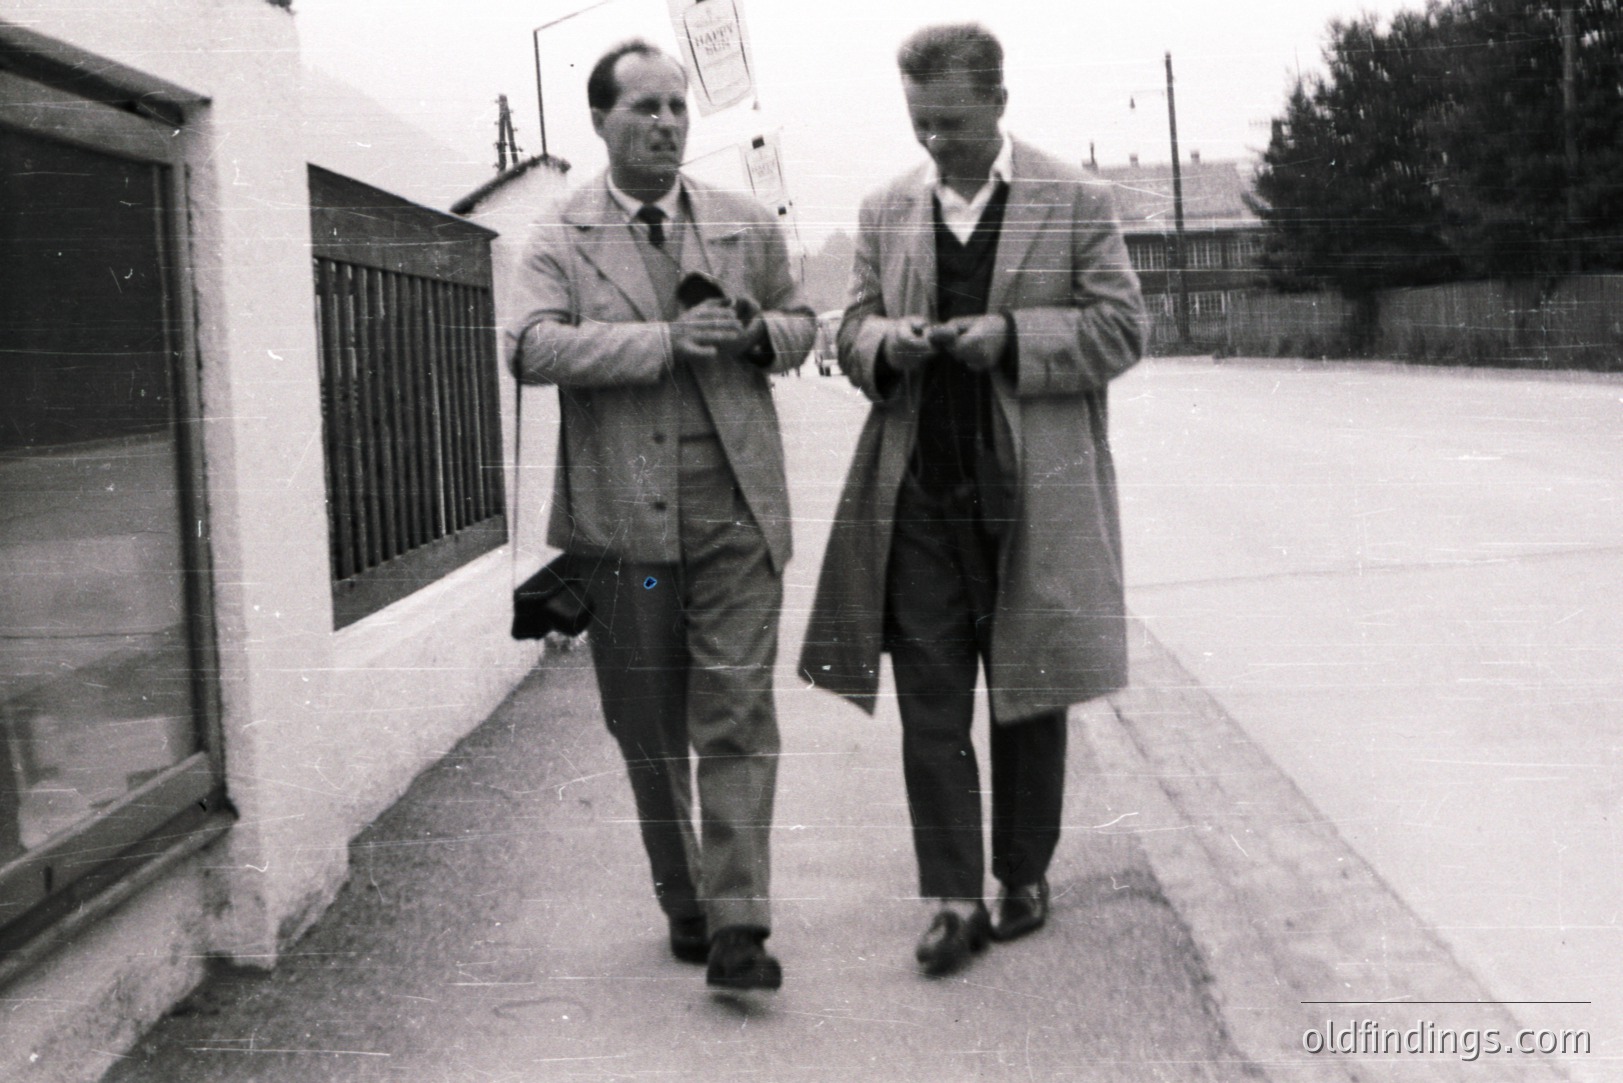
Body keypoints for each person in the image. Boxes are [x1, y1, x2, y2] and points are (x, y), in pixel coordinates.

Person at [798, 22, 1146, 977]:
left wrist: (1012, 337)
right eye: (918, 123)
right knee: (932, 700)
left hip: (1031, 491)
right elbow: (854, 325)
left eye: (950, 121)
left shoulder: (1075, 200)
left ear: (997, 102)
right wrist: (882, 347)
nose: (934, 143)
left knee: (1030, 688)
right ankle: (953, 898)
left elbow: (1121, 329)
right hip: (916, 493)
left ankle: (1021, 877)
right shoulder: (882, 208)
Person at [508, 39, 814, 992]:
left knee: (734, 711)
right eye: (644, 108)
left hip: (734, 512)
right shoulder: (560, 234)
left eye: (677, 107)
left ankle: (738, 925)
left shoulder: (741, 222)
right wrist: (661, 342)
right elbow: (528, 346)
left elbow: (804, 320)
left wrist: (763, 333)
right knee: (647, 723)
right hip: (619, 526)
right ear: (600, 121)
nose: (668, 123)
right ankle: (684, 898)